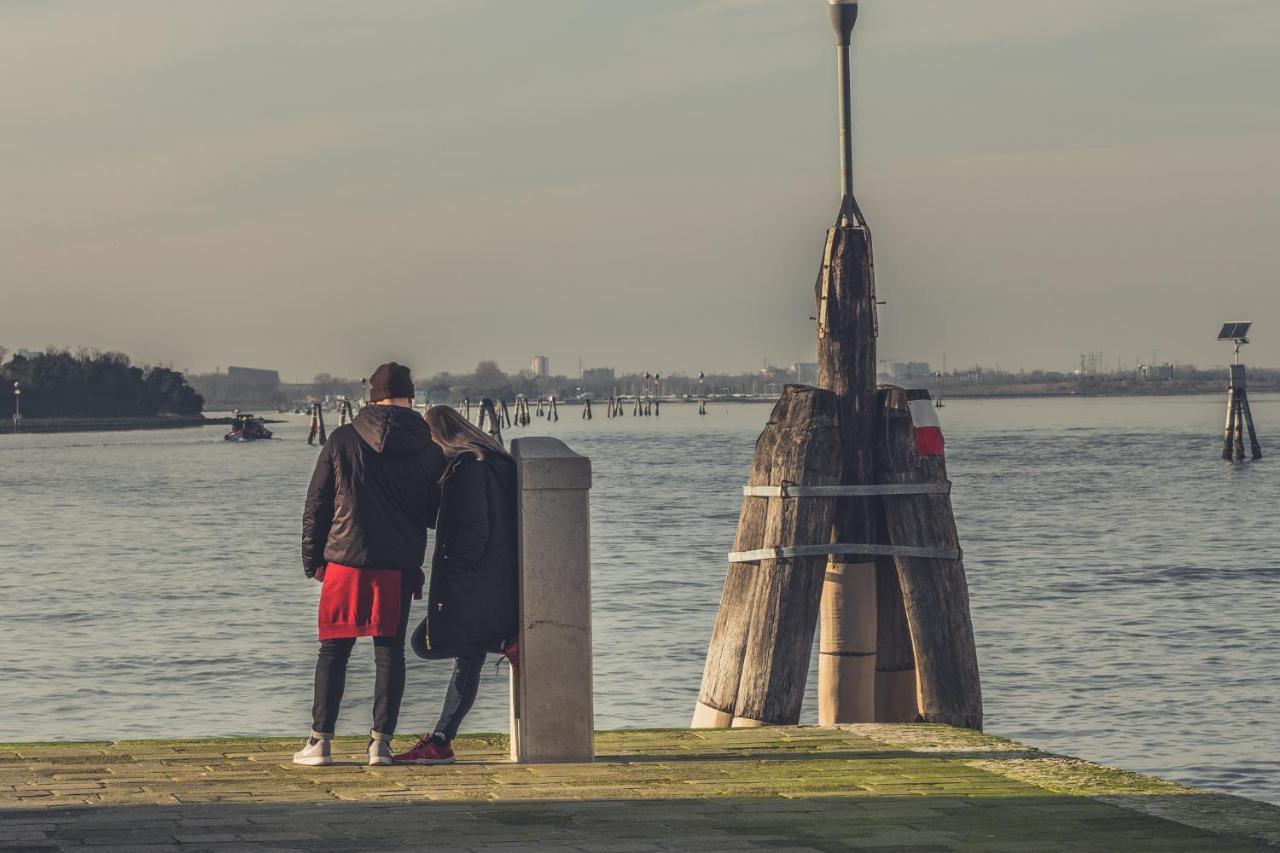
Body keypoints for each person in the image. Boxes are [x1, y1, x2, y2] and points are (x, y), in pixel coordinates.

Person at [293, 363, 446, 767]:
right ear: (410, 399)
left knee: (333, 652)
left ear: (372, 397)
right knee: (389, 652)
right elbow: (434, 514)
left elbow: (317, 505)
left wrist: (313, 562)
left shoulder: (342, 439)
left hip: (344, 562)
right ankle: (381, 745)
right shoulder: (429, 449)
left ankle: (319, 742)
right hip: (396, 566)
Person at [394, 405, 519, 766]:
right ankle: (442, 740)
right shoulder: (496, 462)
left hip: (473, 580)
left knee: (426, 642)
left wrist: (455, 567)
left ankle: (504, 643)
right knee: (467, 661)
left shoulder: (466, 469)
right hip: (497, 578)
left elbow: (470, 528)